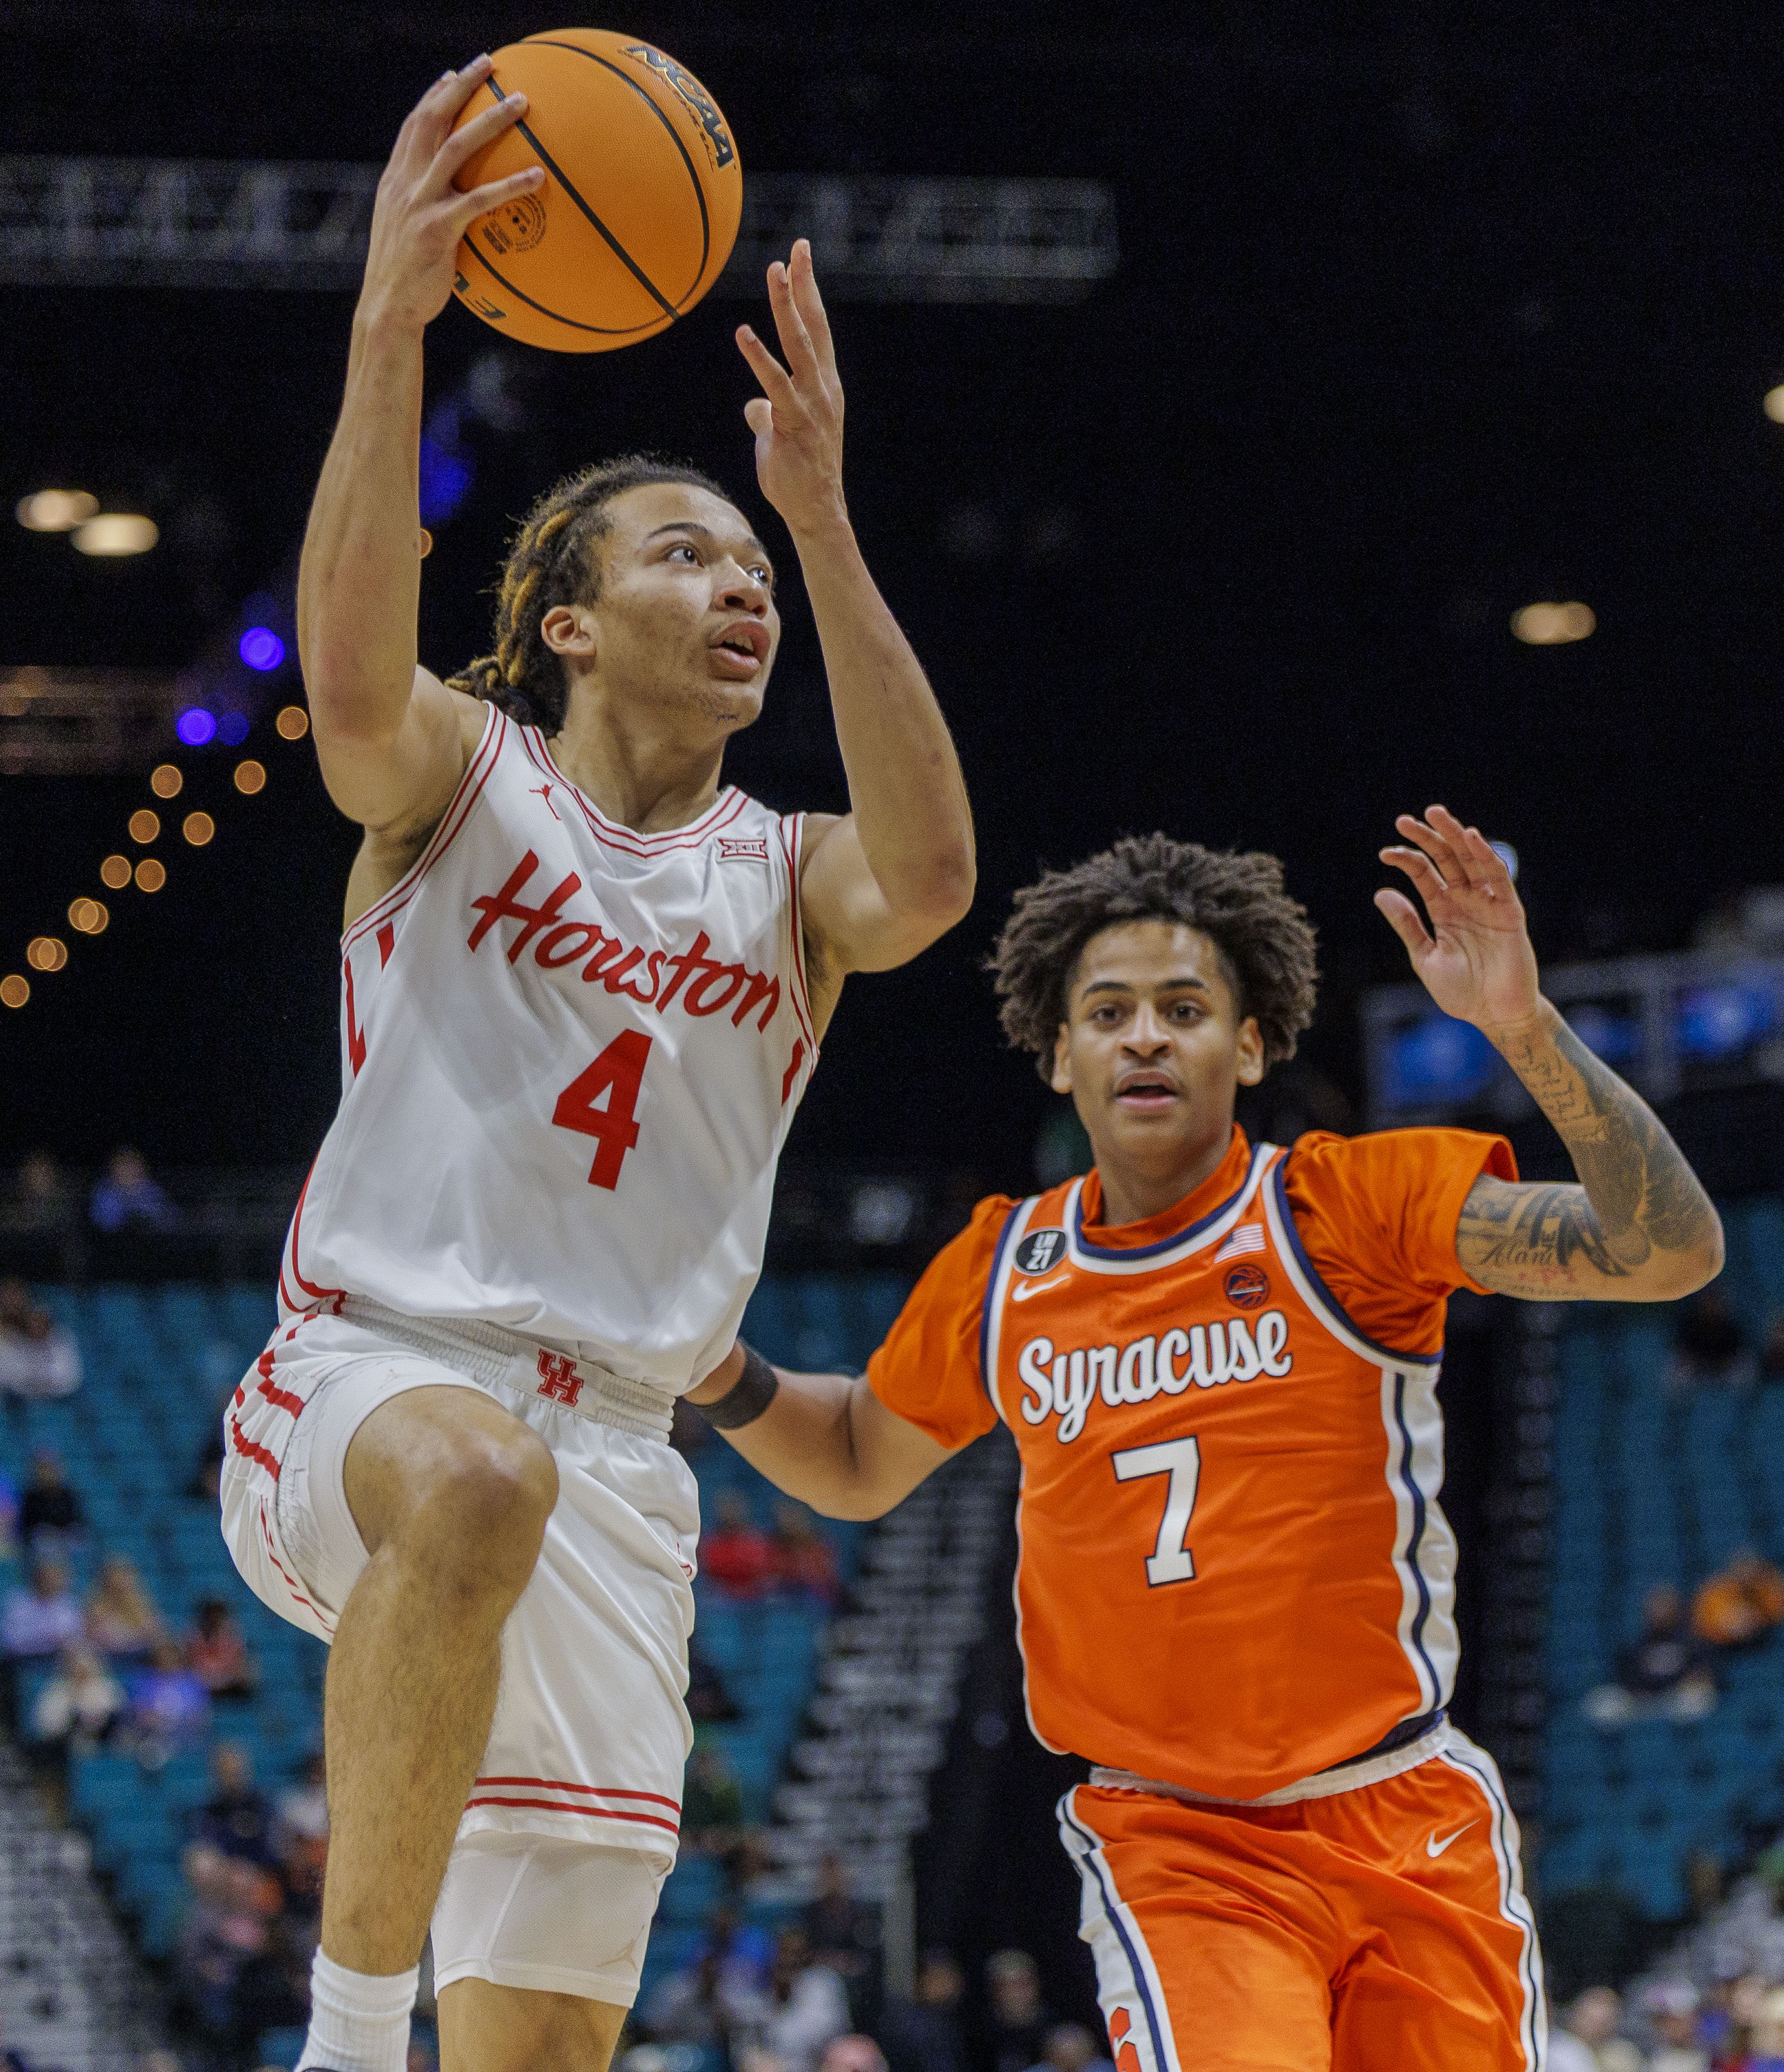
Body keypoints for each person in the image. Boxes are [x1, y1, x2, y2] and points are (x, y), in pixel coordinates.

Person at [215, 54, 974, 2072]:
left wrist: (814, 515)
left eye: (748, 573)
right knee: (476, 1477)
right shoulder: (467, 783)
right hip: (376, 1381)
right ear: (561, 621)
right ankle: (349, 2037)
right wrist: (391, 332)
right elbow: (353, 686)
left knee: (548, 2054)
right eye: (686, 555)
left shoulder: (787, 879)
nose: (732, 590)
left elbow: (932, 872)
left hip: (626, 1470)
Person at [687, 817, 1726, 2071]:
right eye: (1107, 1008)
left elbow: (1665, 1245)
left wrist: (1522, 1028)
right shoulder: (1007, 1269)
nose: (1143, 1032)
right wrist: (717, 1366)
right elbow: (854, 1459)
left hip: (1403, 1808)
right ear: (1058, 1050)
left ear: (1248, 1040)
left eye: (1183, 1005)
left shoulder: (1343, 1205)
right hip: (1183, 1844)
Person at [1584, 1585, 1719, 1725]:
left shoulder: (1690, 1642)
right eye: (1656, 1607)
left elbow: (1703, 1674)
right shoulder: (1639, 1644)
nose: (1660, 1612)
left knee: (1698, 1699)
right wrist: (1639, 1693)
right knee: (1600, 1702)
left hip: (1675, 1700)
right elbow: (1625, 1676)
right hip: (1642, 1701)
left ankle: (1684, 1740)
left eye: (1665, 1606)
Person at [875, 1950, 967, 2072]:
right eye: (939, 1978)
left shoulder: (949, 2024)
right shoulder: (908, 2026)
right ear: (923, 1981)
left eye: (952, 1978)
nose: (950, 1986)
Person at [28, 1642, 124, 1757]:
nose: (78, 1670)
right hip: (63, 1744)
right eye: (74, 1666)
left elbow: (115, 1712)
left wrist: (92, 1720)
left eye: (82, 1666)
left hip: (103, 1737)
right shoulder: (56, 1690)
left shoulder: (104, 1687)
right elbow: (46, 1724)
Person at [196, 1742, 278, 1865]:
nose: (229, 1777)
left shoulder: (261, 1804)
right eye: (224, 1771)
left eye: (233, 1770)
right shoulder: (213, 1810)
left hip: (259, 1869)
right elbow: (210, 1844)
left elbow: (272, 1847)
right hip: (227, 1868)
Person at [0, 1280, 80, 1399]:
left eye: (41, 1320)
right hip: (21, 1402)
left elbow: (71, 1380)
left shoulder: (61, 1339)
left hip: (57, 1403)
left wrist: (41, 1385)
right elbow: (11, 1379)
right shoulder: (16, 1340)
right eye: (34, 1321)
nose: (37, 1325)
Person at [1692, 1551, 1784, 1651]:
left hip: (1764, 1640)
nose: (1747, 1577)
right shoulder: (1719, 1591)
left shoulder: (1770, 1589)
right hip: (1723, 1649)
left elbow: (1776, 1617)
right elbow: (1705, 1627)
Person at [2, 1557, 84, 1659]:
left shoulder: (69, 1603)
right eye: (47, 1576)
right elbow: (12, 1641)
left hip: (59, 1660)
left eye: (56, 1577)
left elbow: (75, 1638)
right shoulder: (17, 1600)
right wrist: (47, 1640)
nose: (51, 1581)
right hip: (21, 1661)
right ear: (37, 1576)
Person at [983, 1951, 1052, 2072]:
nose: (1016, 1992)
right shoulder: (979, 2033)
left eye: (1023, 1983)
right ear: (994, 1990)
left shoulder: (1056, 2028)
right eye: (1007, 1985)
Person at [1545, 1985, 1640, 2072]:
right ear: (1576, 2016)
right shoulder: (1558, 2050)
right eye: (1593, 2020)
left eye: (1606, 2021)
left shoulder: (1620, 2053)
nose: (1599, 2029)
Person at [85, 1556, 164, 1661]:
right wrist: (133, 1636)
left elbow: (155, 1634)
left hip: (139, 1660)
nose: (120, 1584)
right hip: (107, 1662)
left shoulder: (141, 1605)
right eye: (115, 1580)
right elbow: (99, 1639)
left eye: (124, 1579)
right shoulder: (96, 1607)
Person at [703, 1490, 776, 1599]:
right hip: (723, 1599)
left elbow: (764, 1575)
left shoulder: (755, 1539)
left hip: (755, 1597)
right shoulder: (711, 1542)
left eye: (733, 1508)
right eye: (726, 1508)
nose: (730, 1512)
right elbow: (710, 1578)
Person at [87, 1146, 176, 1233]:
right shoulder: (106, 1195)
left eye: (133, 1163)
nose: (129, 1169)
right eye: (123, 1165)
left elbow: (168, 1221)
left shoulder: (153, 1191)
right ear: (112, 1169)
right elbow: (103, 1228)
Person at [183, 1595, 258, 1698]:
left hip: (230, 1689)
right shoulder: (193, 1636)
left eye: (218, 1616)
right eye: (211, 1616)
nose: (214, 1620)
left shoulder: (232, 1636)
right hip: (201, 1691)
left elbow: (239, 1668)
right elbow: (191, 1668)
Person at [773, 1502, 842, 1606]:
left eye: (795, 1517)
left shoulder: (820, 1544)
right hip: (786, 1595)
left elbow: (826, 1577)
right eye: (787, 1518)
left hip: (815, 1595)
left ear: (805, 1519)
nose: (792, 1523)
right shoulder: (775, 1545)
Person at [18, 1448, 83, 1549]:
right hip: (42, 1545)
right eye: (43, 1469)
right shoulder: (31, 1497)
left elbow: (76, 1523)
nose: (47, 1473)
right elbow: (27, 1530)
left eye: (50, 1469)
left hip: (65, 1542)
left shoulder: (68, 1496)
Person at [1644, 1981, 1709, 2072]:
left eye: (1691, 2017)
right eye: (1675, 2020)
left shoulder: (1711, 2060)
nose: (1688, 2024)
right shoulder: (1649, 2063)